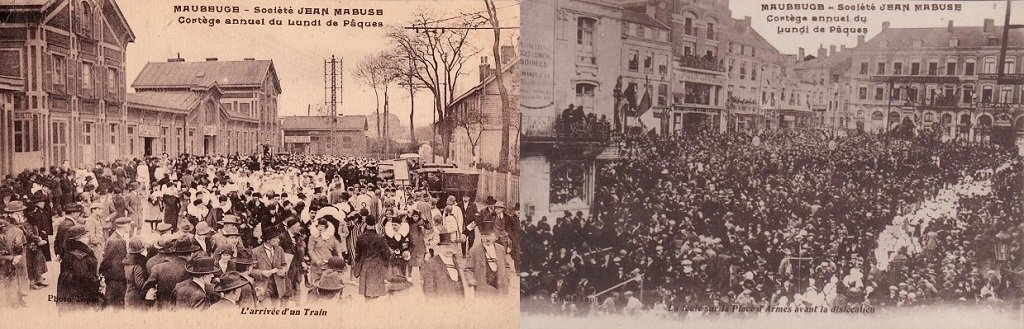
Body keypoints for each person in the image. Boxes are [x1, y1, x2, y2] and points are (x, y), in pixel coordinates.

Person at [56, 225, 104, 312]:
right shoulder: (80, 256)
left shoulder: (69, 251)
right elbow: (85, 277)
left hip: (68, 290)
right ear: (78, 239)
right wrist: (97, 283)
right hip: (78, 292)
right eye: (85, 236)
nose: (87, 238)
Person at [143, 238, 200, 309]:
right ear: (191, 253)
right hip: (184, 308)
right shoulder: (193, 270)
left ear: (175, 252)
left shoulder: (158, 268)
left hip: (163, 308)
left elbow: (146, 287)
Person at [252, 225, 290, 307]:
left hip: (277, 288)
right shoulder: (255, 252)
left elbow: (284, 265)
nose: (278, 240)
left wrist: (283, 271)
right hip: (263, 287)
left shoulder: (279, 250)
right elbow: (251, 270)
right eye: (276, 238)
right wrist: (262, 272)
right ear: (268, 240)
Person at [100, 216, 132, 308]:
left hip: (115, 279)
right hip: (116, 280)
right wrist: (122, 277)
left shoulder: (117, 237)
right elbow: (112, 262)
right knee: (115, 304)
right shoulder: (116, 241)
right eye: (129, 225)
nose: (130, 228)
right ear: (125, 226)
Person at [354, 217, 389, 300]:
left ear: (366, 224)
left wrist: (358, 264)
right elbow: (386, 253)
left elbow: (358, 254)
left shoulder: (360, 237)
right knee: (376, 291)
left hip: (365, 265)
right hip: (377, 265)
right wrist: (385, 263)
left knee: (366, 292)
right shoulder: (380, 238)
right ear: (375, 224)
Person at [123, 237, 149, 309]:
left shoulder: (126, 261)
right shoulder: (138, 266)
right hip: (136, 298)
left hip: (128, 294)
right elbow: (140, 284)